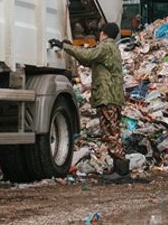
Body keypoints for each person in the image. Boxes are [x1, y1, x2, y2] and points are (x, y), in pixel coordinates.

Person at [49, 22, 130, 184]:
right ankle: (119, 168)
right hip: (112, 96)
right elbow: (88, 60)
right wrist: (72, 48)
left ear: (103, 33)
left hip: (107, 97)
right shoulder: (109, 48)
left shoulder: (105, 46)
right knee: (112, 131)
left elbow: (88, 56)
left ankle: (122, 171)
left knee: (111, 133)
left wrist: (65, 46)